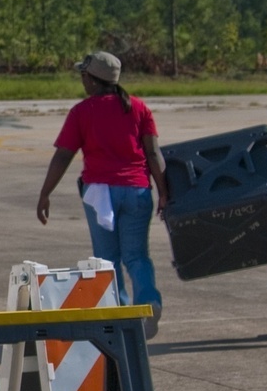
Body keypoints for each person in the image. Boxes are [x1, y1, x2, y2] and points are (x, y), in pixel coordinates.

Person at [36, 51, 168, 339]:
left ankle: (119, 318)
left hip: (100, 195)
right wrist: (164, 192)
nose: (82, 80)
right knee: (137, 256)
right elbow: (154, 154)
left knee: (107, 260)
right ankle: (149, 302)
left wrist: (45, 193)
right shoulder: (138, 108)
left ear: (92, 80)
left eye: (83, 75)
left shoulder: (82, 112)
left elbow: (63, 156)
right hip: (137, 190)